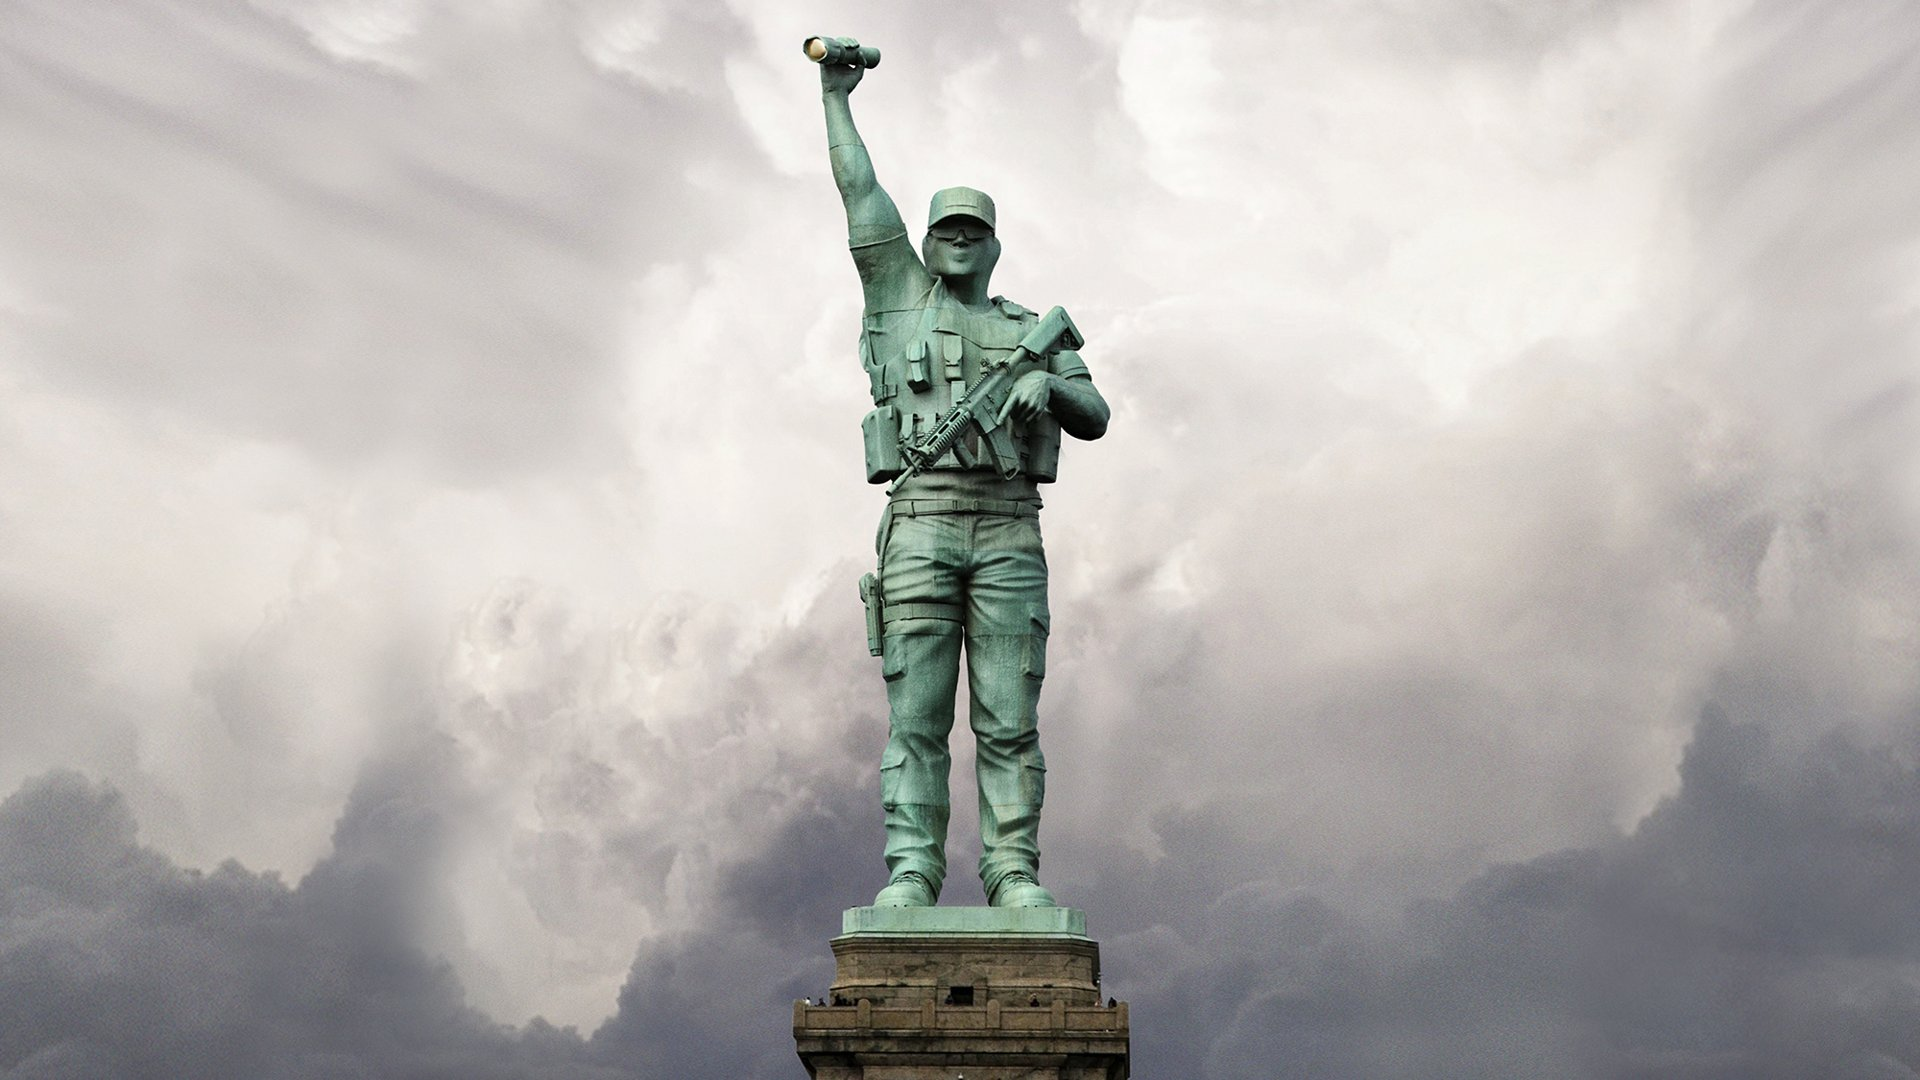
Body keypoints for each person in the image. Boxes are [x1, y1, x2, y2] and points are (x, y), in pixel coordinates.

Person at [817, 50, 1110, 908]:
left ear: (993, 245)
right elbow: (859, 194)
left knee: (1010, 719)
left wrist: (1047, 382)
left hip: (1010, 524)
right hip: (921, 520)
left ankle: (1012, 869)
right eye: (944, 229)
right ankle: (912, 868)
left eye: (970, 232)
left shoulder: (1032, 328)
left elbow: (1095, 412)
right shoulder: (898, 297)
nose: (955, 240)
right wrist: (835, 98)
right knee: (915, 717)